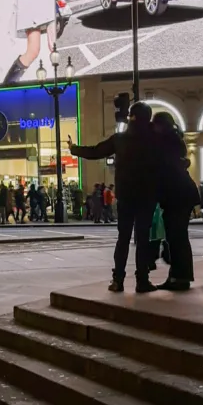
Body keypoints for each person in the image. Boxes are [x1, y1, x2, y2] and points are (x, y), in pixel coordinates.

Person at [69, 101, 161, 293]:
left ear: (132, 117)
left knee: (123, 238)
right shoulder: (155, 138)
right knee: (143, 238)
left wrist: (74, 148)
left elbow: (96, 151)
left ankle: (118, 280)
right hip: (147, 194)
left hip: (126, 195)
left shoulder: (121, 139)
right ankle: (142, 280)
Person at [152, 111, 198, 290]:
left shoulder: (167, 142)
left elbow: (165, 167)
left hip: (177, 195)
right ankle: (178, 275)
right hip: (181, 194)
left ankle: (180, 277)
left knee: (177, 237)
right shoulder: (174, 139)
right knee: (176, 236)